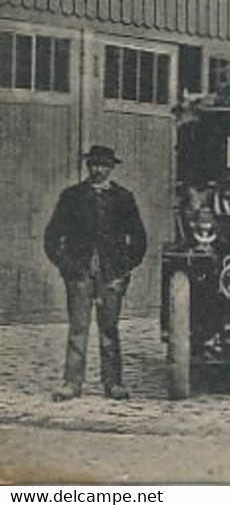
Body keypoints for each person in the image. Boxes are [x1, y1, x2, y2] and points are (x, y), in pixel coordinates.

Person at [43, 145, 147, 401]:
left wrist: (124, 268)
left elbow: (139, 239)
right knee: (78, 328)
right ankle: (71, 383)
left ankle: (113, 383)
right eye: (94, 164)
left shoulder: (124, 198)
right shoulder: (72, 196)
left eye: (104, 165)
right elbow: (52, 237)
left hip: (112, 274)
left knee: (109, 329)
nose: (98, 169)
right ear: (88, 166)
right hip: (79, 273)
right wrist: (66, 266)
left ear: (112, 168)